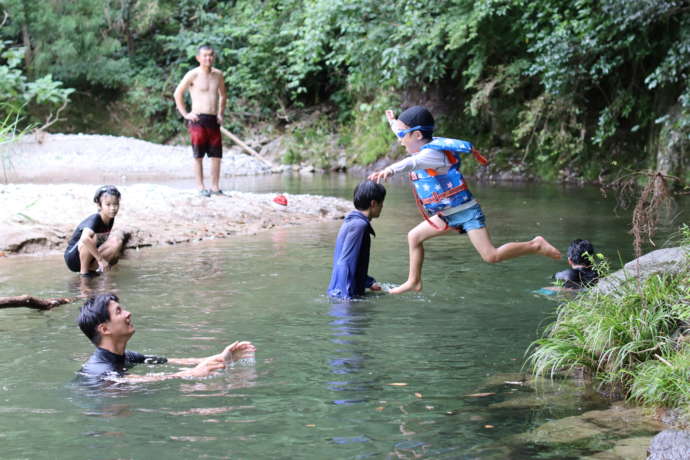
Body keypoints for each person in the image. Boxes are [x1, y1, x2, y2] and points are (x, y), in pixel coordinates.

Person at [368, 106, 561, 294]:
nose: (400, 142)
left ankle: (536, 245)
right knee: (414, 237)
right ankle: (414, 281)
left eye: (402, 136)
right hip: (445, 214)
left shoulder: (431, 154)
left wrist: (390, 169)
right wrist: (394, 123)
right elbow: (404, 137)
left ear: (417, 135)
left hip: (466, 213)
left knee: (491, 256)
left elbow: (412, 163)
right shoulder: (420, 143)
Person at [76, 293, 255, 383]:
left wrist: (224, 357)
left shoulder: (127, 356)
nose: (128, 313)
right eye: (119, 311)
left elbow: (174, 361)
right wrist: (192, 374)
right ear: (104, 328)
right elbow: (137, 382)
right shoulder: (99, 371)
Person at [174, 44, 228, 197]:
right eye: (204, 55)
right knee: (198, 155)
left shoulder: (218, 75)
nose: (208, 58)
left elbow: (223, 95)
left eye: (210, 55)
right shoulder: (193, 74)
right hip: (197, 118)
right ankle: (200, 187)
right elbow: (177, 93)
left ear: (214, 57)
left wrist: (220, 113)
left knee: (216, 154)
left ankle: (215, 187)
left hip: (213, 118)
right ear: (198, 58)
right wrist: (185, 114)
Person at [327, 180, 386, 299]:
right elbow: (345, 263)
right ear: (373, 203)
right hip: (345, 296)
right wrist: (346, 298)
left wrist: (368, 282)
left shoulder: (351, 221)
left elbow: (352, 261)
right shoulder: (360, 226)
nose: (382, 206)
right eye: (382, 203)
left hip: (342, 292)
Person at [64, 185, 127, 278]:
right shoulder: (95, 219)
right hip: (73, 258)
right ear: (99, 205)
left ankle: (94, 272)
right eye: (108, 204)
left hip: (91, 255)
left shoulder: (110, 219)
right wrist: (100, 259)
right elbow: (85, 239)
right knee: (91, 237)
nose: (113, 208)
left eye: (115, 204)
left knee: (116, 242)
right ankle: (84, 275)